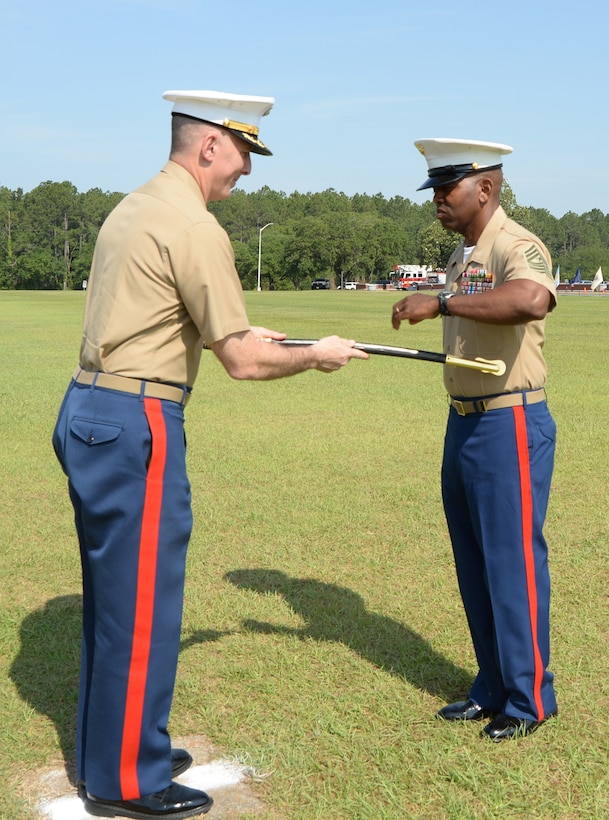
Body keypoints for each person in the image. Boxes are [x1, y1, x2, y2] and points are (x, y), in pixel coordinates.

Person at [52, 89, 368, 819]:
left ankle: (122, 745)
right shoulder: (194, 226)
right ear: (209, 147)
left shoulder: (134, 206)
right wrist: (315, 355)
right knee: (141, 606)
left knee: (114, 599)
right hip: (138, 418)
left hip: (91, 405)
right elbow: (243, 362)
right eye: (243, 155)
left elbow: (173, 315)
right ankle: (125, 777)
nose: (246, 173)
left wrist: (267, 337)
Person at [392, 138, 558, 742]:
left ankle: (530, 698)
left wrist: (440, 302)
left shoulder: (517, 245)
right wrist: (448, 294)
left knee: (511, 563)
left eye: (447, 188)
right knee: (474, 562)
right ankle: (492, 683)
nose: (437, 199)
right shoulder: (465, 254)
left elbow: (532, 298)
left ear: (485, 189)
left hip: (507, 422)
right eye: (435, 189)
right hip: (463, 419)